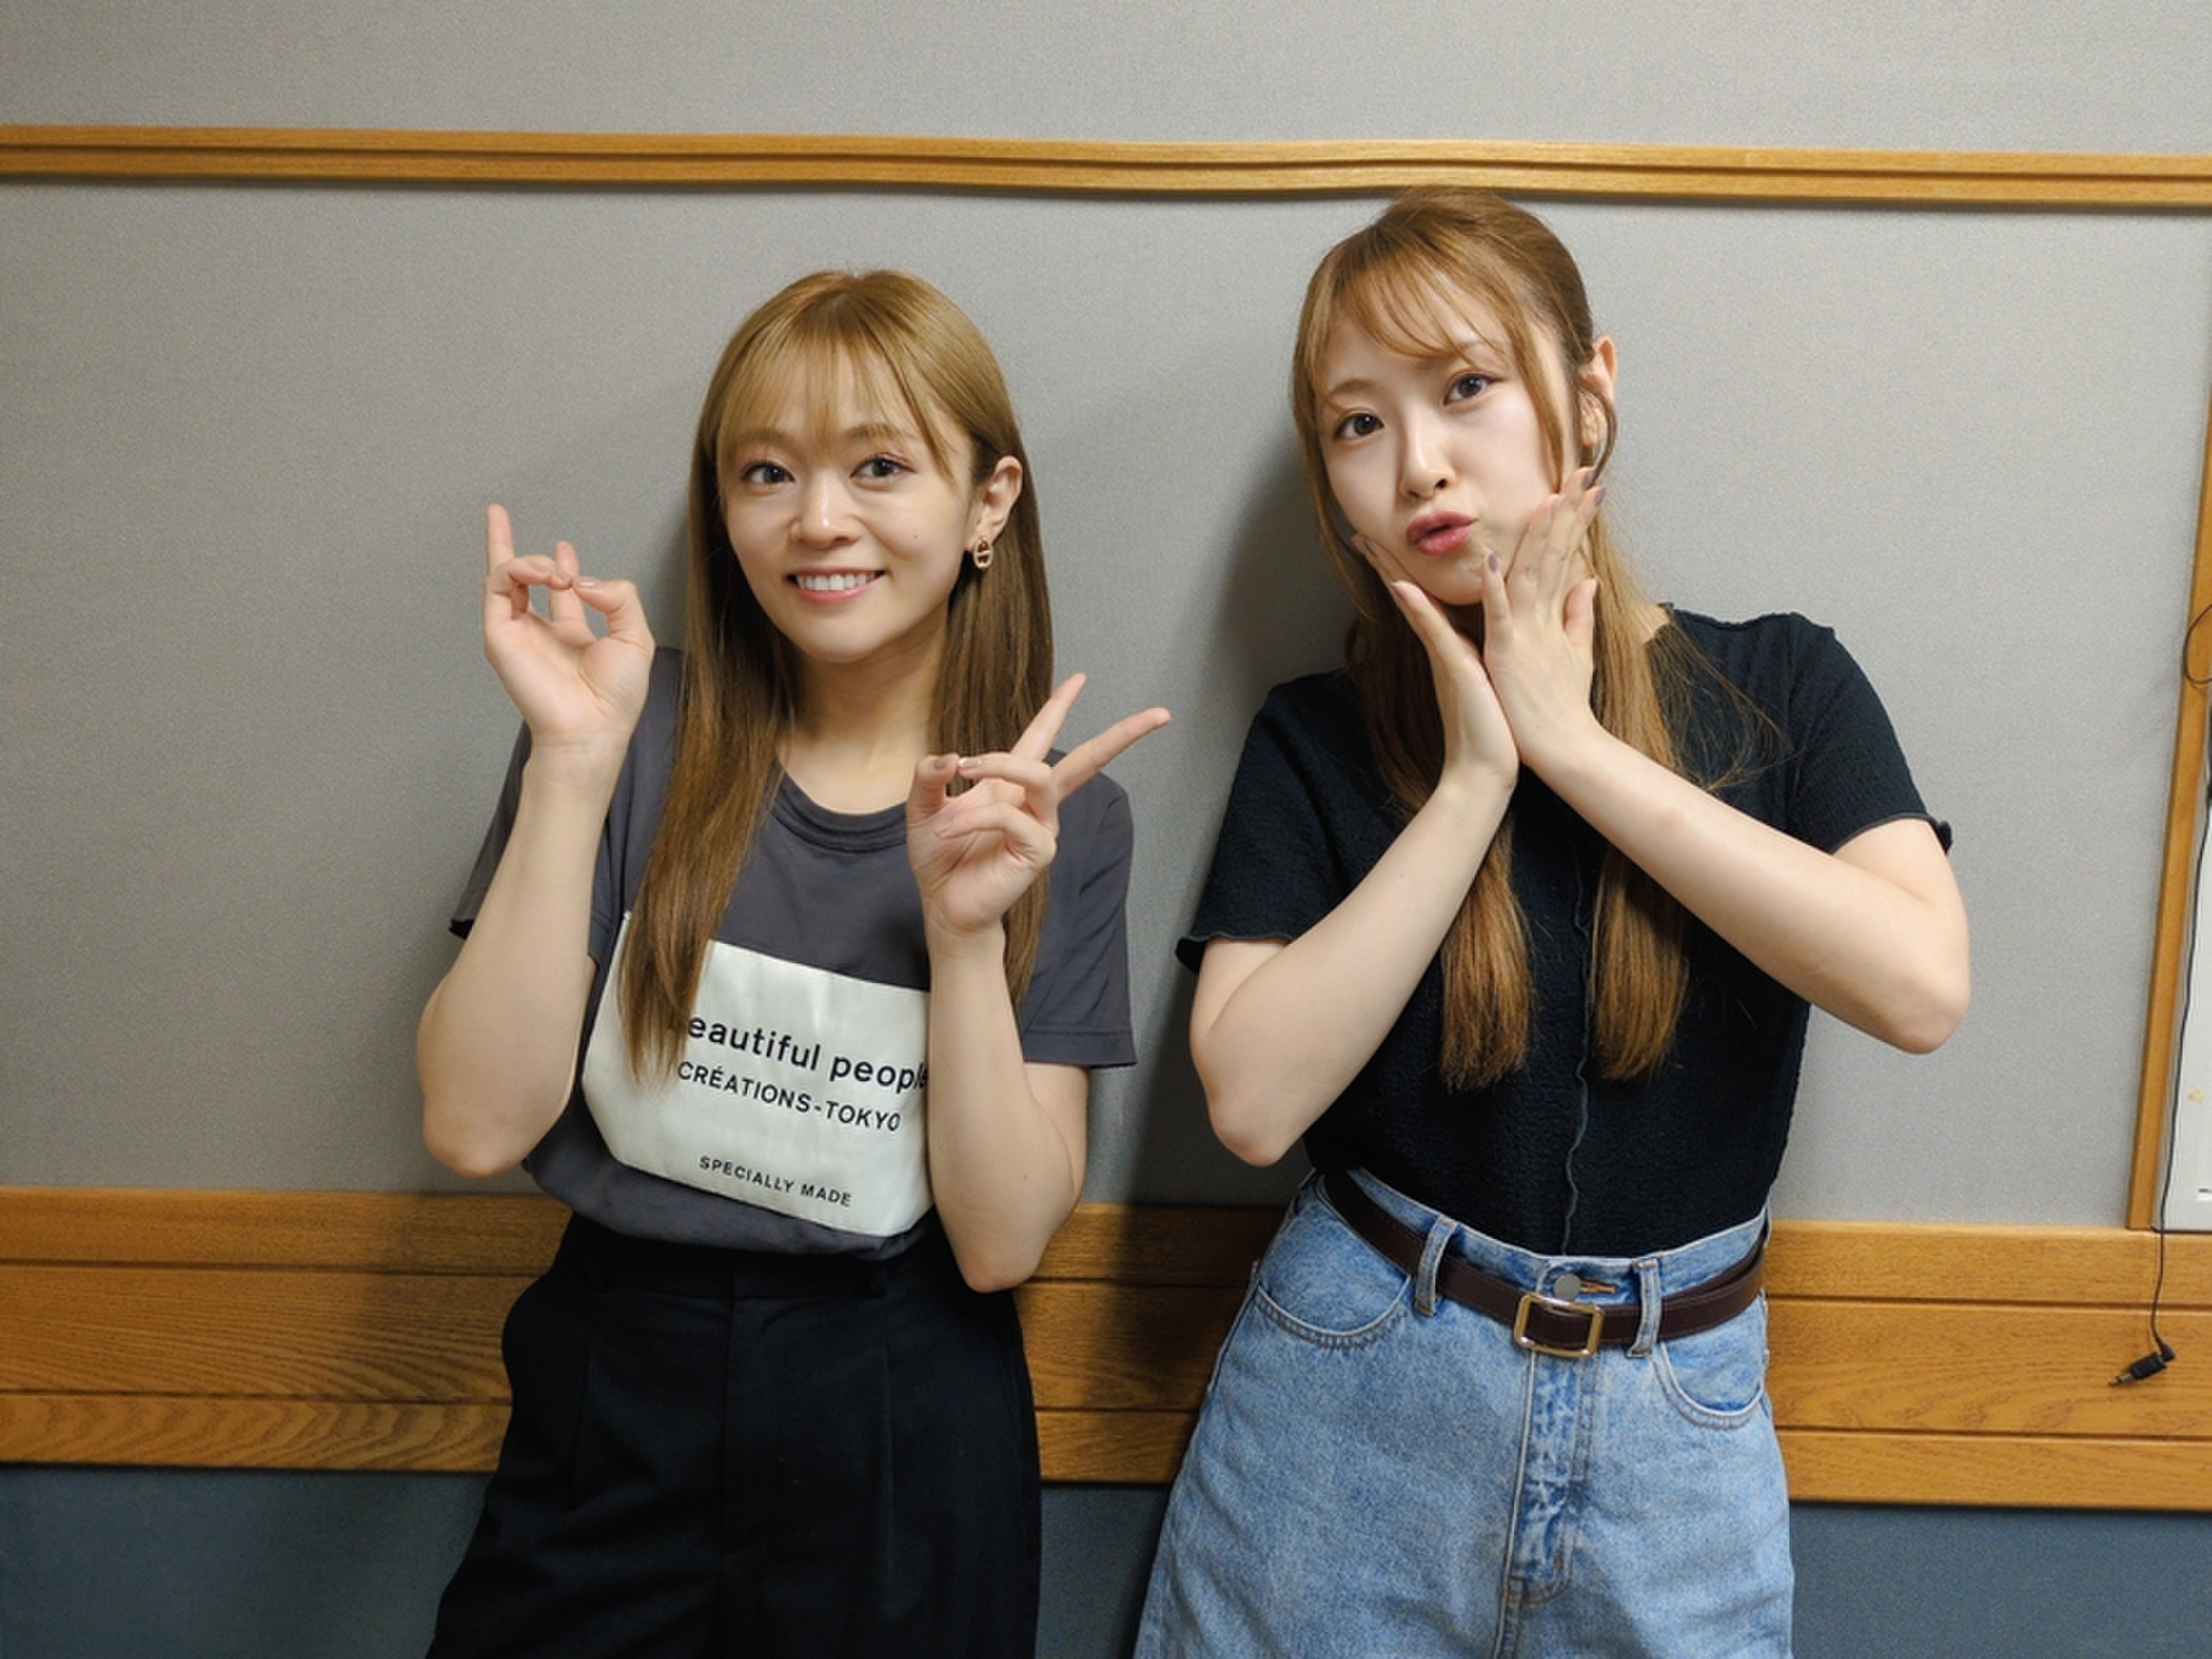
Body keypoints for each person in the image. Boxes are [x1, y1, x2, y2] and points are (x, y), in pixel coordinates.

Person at [1136, 190, 1969, 1657]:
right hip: (1352, 1395)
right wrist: (1475, 779)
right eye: (1358, 423)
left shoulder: (1784, 683)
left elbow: (1918, 986)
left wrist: (1574, 747)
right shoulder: (1317, 738)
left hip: (1678, 1424)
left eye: (1466, 386)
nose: (1419, 462)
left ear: (1590, 398)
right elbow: (1253, 1104)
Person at [415, 268, 1168, 1658]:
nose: (818, 520)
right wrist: (574, 766)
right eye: (767, 472)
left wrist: (962, 936)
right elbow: (472, 1125)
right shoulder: (621, 725)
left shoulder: (1058, 815)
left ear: (989, 502)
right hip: (616, 1386)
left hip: (904, 1409)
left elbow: (1001, 1242)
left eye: (879, 467)